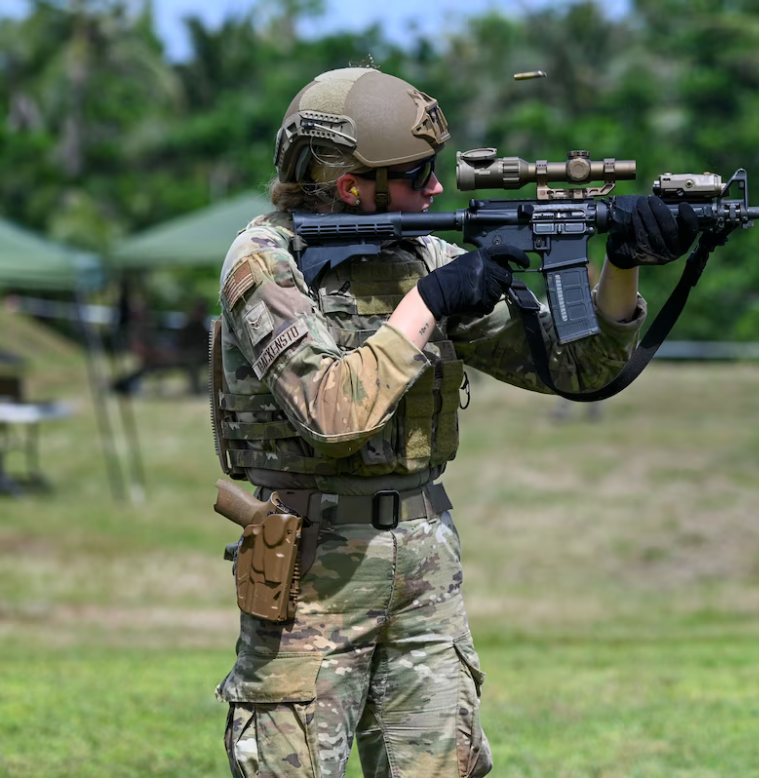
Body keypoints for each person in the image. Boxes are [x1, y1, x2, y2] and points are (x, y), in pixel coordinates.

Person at [211, 66, 697, 778]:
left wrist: (622, 264)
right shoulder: (265, 263)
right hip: (310, 574)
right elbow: (330, 410)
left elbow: (577, 369)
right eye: (417, 174)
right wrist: (431, 301)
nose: (436, 188)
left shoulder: (422, 253)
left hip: (423, 567)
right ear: (353, 187)